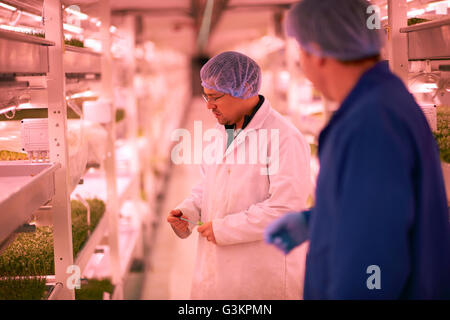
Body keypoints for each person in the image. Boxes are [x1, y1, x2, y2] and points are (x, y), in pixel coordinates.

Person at [265, 0, 450, 299]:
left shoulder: (370, 121)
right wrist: (317, 220)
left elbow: (374, 257)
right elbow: (378, 209)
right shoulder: (382, 100)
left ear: (317, 51)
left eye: (300, 50)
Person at [167, 51, 311, 299]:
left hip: (262, 273)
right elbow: (209, 183)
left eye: (215, 97)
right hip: (219, 272)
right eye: (206, 96)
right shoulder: (222, 130)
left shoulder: (284, 138)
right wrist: (189, 210)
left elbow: (286, 208)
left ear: (244, 89)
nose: (208, 105)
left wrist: (225, 229)